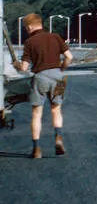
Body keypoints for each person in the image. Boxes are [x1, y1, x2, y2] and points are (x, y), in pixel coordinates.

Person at [13, 13, 73, 159]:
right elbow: (69, 57)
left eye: (26, 28)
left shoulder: (30, 42)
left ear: (30, 26)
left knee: (36, 113)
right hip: (58, 78)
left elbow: (24, 68)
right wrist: (62, 69)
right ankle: (58, 138)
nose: (27, 30)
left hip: (40, 78)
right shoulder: (56, 37)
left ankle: (36, 149)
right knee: (56, 110)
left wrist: (17, 64)